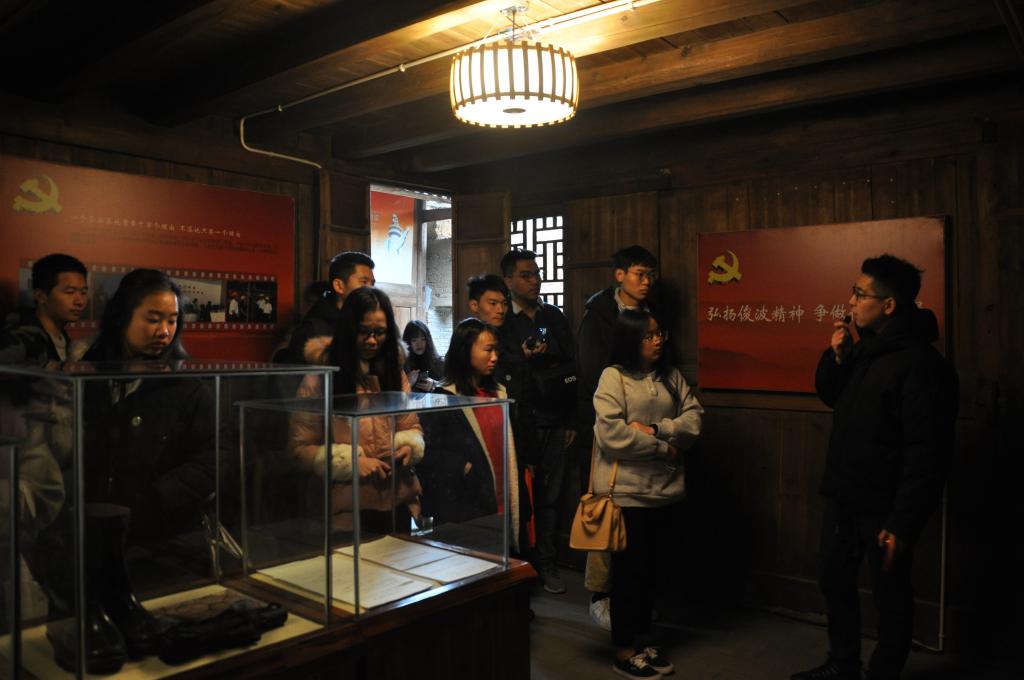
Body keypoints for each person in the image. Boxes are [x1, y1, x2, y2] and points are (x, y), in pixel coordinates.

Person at [792, 255, 958, 680]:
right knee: (835, 581)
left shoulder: (921, 365)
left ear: (889, 305)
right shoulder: (865, 349)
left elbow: (927, 452)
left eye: (859, 294)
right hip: (844, 493)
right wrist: (838, 357)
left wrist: (903, 522)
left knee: (890, 594)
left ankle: (883, 673)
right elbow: (831, 395)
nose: (850, 301)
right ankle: (842, 664)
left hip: (885, 504)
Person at [592, 309, 703, 679]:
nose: (657, 341)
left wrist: (657, 430)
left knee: (655, 572)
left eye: (659, 334)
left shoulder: (671, 376)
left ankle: (643, 641)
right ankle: (624, 649)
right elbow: (612, 434)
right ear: (630, 340)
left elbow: (694, 420)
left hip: (666, 491)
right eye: (648, 336)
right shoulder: (613, 377)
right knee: (629, 575)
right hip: (628, 494)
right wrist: (663, 449)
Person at [290, 286, 424, 532]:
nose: (372, 340)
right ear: (348, 329)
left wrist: (408, 447)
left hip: (396, 498)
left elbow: (410, 424)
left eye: (380, 333)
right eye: (364, 331)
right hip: (345, 507)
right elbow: (300, 448)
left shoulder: (394, 373)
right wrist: (351, 462)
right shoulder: (320, 377)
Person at [576, 245, 659, 630]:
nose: (646, 282)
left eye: (650, 275)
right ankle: (602, 595)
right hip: (608, 423)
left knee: (640, 519)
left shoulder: (652, 314)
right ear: (620, 275)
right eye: (640, 274)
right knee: (608, 508)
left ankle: (635, 598)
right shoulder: (599, 314)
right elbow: (593, 371)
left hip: (646, 426)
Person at [498, 249, 576, 594]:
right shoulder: (503, 320)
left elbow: (572, 366)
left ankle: (547, 563)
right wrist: (523, 357)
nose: (535, 281)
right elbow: (498, 367)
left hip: (556, 417)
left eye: (537, 274)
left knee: (552, 496)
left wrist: (572, 419)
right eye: (526, 275)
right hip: (519, 421)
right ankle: (520, 565)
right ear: (508, 280)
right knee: (521, 496)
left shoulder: (552, 316)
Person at [417, 318, 519, 548]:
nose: (495, 357)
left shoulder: (499, 392)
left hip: (503, 493)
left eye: (496, 350)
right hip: (468, 504)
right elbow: (429, 452)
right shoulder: (444, 397)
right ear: (465, 351)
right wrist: (463, 467)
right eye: (488, 350)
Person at [282, 251, 375, 364]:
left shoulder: (369, 326)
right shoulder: (313, 330)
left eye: (372, 284)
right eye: (364, 282)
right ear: (339, 286)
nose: (371, 290)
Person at [1, 253, 88, 364]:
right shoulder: (19, 339)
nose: (80, 301)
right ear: (40, 296)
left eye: (83, 292)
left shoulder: (64, 339)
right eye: (70, 292)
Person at [402, 319, 444, 392]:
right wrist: (407, 383)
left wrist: (434, 384)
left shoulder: (439, 363)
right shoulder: (402, 365)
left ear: (428, 340)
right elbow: (394, 394)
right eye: (414, 340)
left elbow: (450, 388)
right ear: (408, 342)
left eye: (423, 339)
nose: (419, 344)